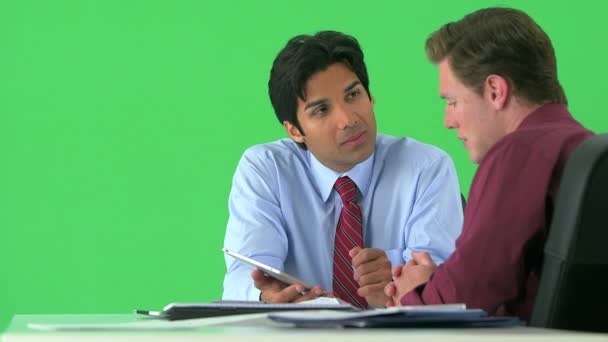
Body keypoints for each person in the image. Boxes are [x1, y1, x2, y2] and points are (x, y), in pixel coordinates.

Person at [222, 31, 464, 308]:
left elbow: (445, 277)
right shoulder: (267, 170)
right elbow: (243, 274)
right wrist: (265, 297)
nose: (348, 119)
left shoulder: (427, 167)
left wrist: (397, 275)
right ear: (294, 131)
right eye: (321, 110)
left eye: (353, 95)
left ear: (371, 97)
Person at [384, 8, 594, 321]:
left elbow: (464, 296)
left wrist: (413, 294)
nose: (447, 121)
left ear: (495, 91)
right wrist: (437, 281)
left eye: (452, 101)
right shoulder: (584, 148)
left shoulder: (518, 153)